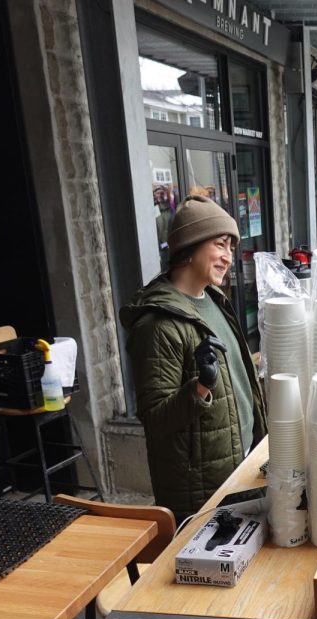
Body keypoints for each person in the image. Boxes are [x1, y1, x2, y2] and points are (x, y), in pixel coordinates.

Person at [119, 194, 267, 521]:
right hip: (201, 490)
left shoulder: (214, 300)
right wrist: (201, 387)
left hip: (241, 465)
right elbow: (155, 417)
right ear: (189, 248)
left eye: (231, 246)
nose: (228, 257)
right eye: (220, 245)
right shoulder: (158, 325)